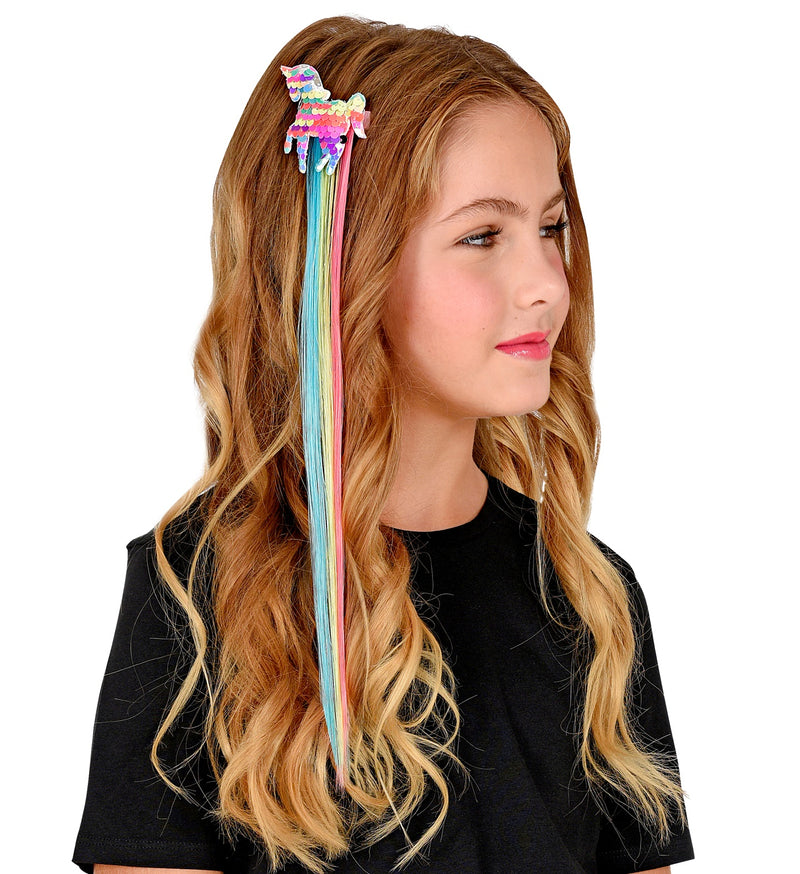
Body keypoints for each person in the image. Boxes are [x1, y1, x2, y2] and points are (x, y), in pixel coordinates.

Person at [73, 15, 694, 874]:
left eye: (551, 228)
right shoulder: (198, 594)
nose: (547, 286)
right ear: (340, 267)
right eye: (482, 236)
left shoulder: (591, 600)